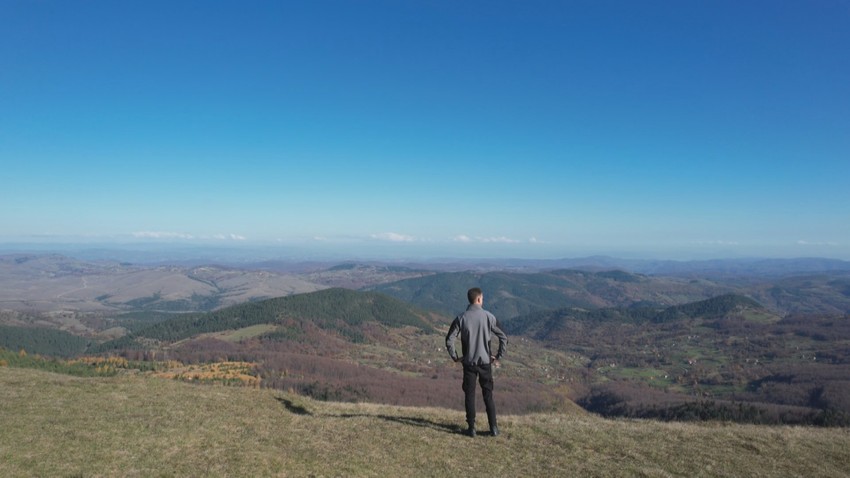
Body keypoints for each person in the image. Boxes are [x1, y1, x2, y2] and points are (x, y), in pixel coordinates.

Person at [445, 287, 508, 438]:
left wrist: (455, 357)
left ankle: (471, 428)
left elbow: (449, 339)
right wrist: (498, 356)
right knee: (488, 395)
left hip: (468, 363)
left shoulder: (461, 318)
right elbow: (503, 337)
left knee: (470, 395)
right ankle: (493, 428)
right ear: (479, 299)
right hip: (486, 363)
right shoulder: (489, 317)